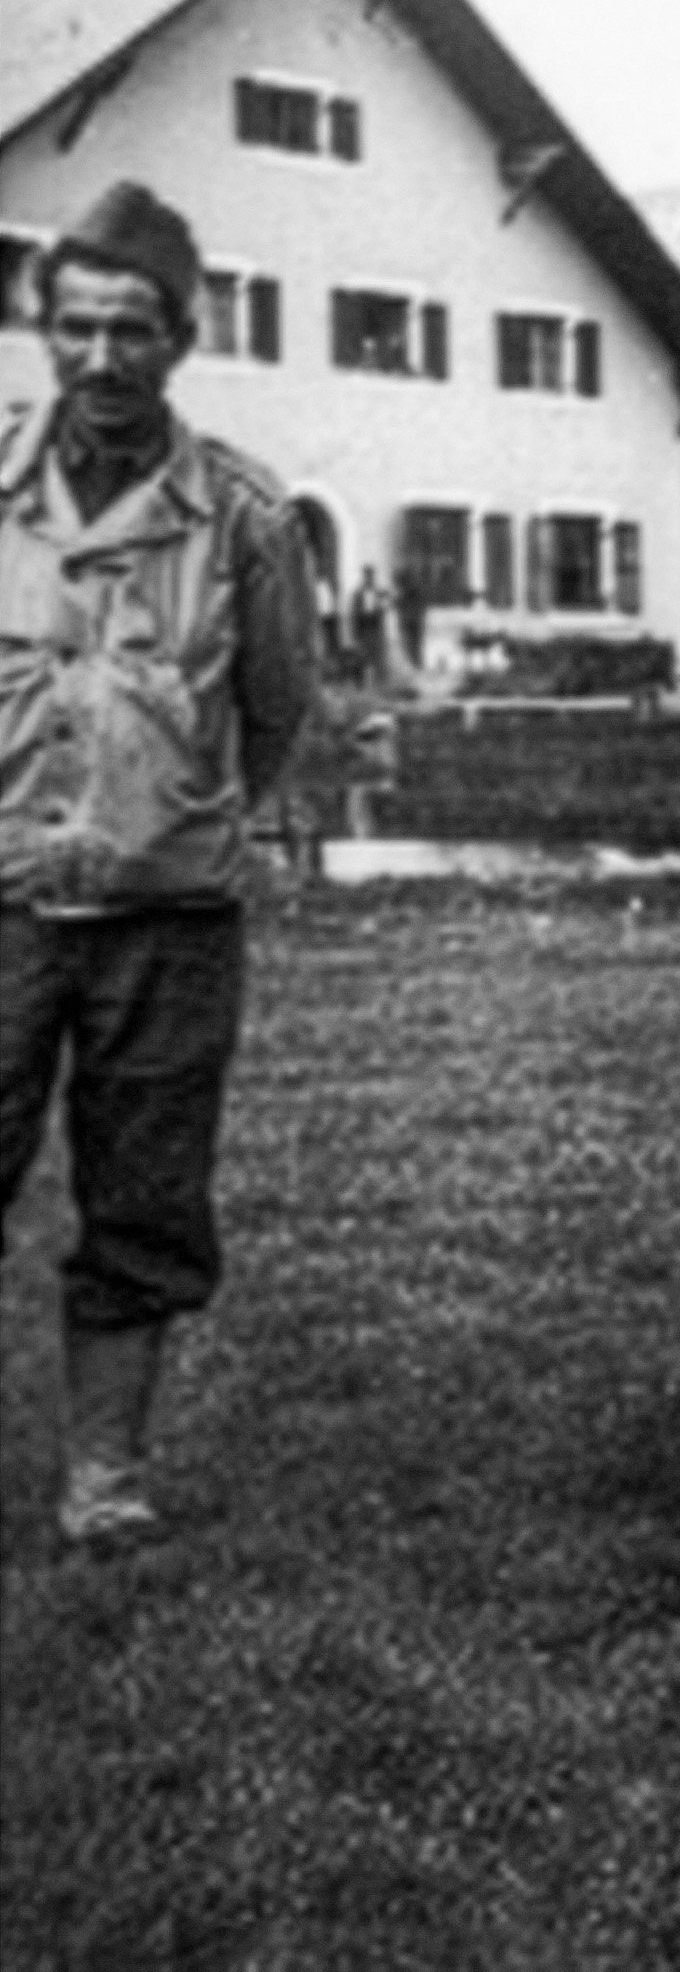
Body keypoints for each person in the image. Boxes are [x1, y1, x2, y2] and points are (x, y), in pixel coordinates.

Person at [0, 181, 317, 1546]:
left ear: (181, 339)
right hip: (4, 903)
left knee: (143, 1197)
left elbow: (280, 706)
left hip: (168, 920)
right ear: (44, 330)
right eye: (77, 327)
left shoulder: (243, 513)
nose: (102, 357)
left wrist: (178, 808)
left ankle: (104, 1481)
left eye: (133, 329)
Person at [349, 565, 389, 685]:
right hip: (363, 628)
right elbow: (354, 614)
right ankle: (360, 684)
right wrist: (355, 633)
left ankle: (380, 683)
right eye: (367, 575)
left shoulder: (380, 592)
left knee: (378, 657)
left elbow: (384, 610)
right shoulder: (358, 593)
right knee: (361, 658)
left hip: (376, 628)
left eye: (371, 576)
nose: (369, 578)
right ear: (364, 576)